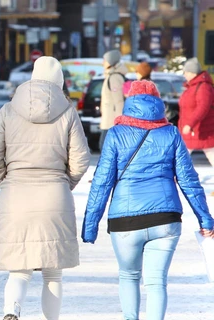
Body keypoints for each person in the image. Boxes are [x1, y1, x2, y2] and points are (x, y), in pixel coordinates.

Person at [83, 80, 214, 320]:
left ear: (129, 102)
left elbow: (102, 182)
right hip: (165, 220)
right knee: (156, 283)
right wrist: (205, 219)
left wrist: (90, 226)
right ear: (158, 103)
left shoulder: (116, 134)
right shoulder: (171, 133)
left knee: (129, 276)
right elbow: (188, 180)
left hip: (124, 220)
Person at [0, 56, 91, 320]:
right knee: (52, 272)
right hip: (54, 195)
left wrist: (5, 180)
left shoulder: (8, 110)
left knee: (19, 268)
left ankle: (11, 310)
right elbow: (81, 158)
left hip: (16, 195)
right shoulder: (67, 111)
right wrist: (65, 183)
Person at [178, 57, 214, 166]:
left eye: (186, 72)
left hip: (202, 129)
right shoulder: (192, 87)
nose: (184, 75)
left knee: (181, 157)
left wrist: (190, 124)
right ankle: (174, 179)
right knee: (181, 156)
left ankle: (173, 179)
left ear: (193, 73)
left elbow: (203, 107)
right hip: (194, 130)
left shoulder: (203, 87)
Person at [100, 49, 128, 151]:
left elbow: (119, 102)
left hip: (111, 122)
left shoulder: (114, 78)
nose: (103, 62)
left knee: (105, 148)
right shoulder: (110, 76)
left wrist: (119, 122)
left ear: (110, 62)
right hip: (109, 120)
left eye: (105, 60)